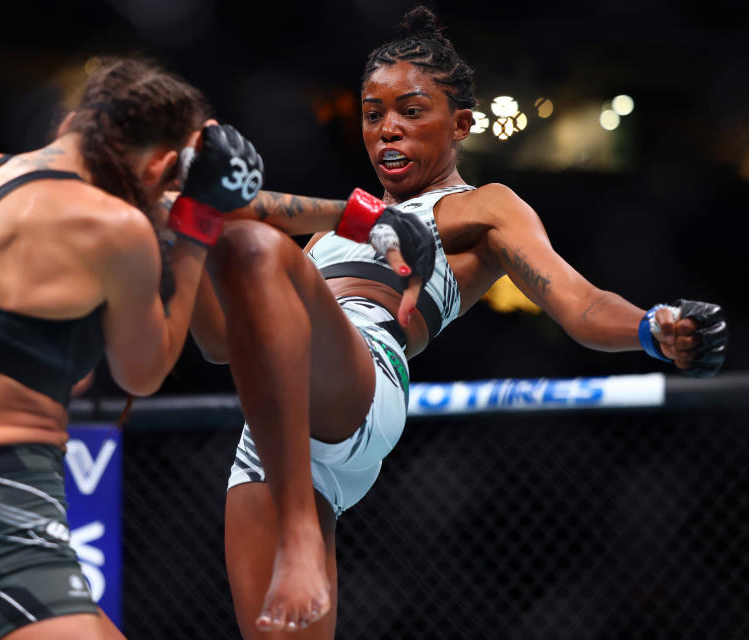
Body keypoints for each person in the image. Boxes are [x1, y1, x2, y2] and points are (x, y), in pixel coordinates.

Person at [184, 7, 728, 637]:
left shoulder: (481, 207)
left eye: (411, 111)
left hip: (357, 381)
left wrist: (649, 327)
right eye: (372, 113)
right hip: (269, 429)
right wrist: (193, 227)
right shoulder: (327, 234)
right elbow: (220, 346)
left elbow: (580, 302)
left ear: (461, 123)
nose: (388, 129)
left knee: (252, 246)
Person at [0, 55, 263, 640]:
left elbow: (23, 351)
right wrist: (195, 228)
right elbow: (142, 373)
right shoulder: (111, 228)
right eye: (169, 182)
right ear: (162, 165)